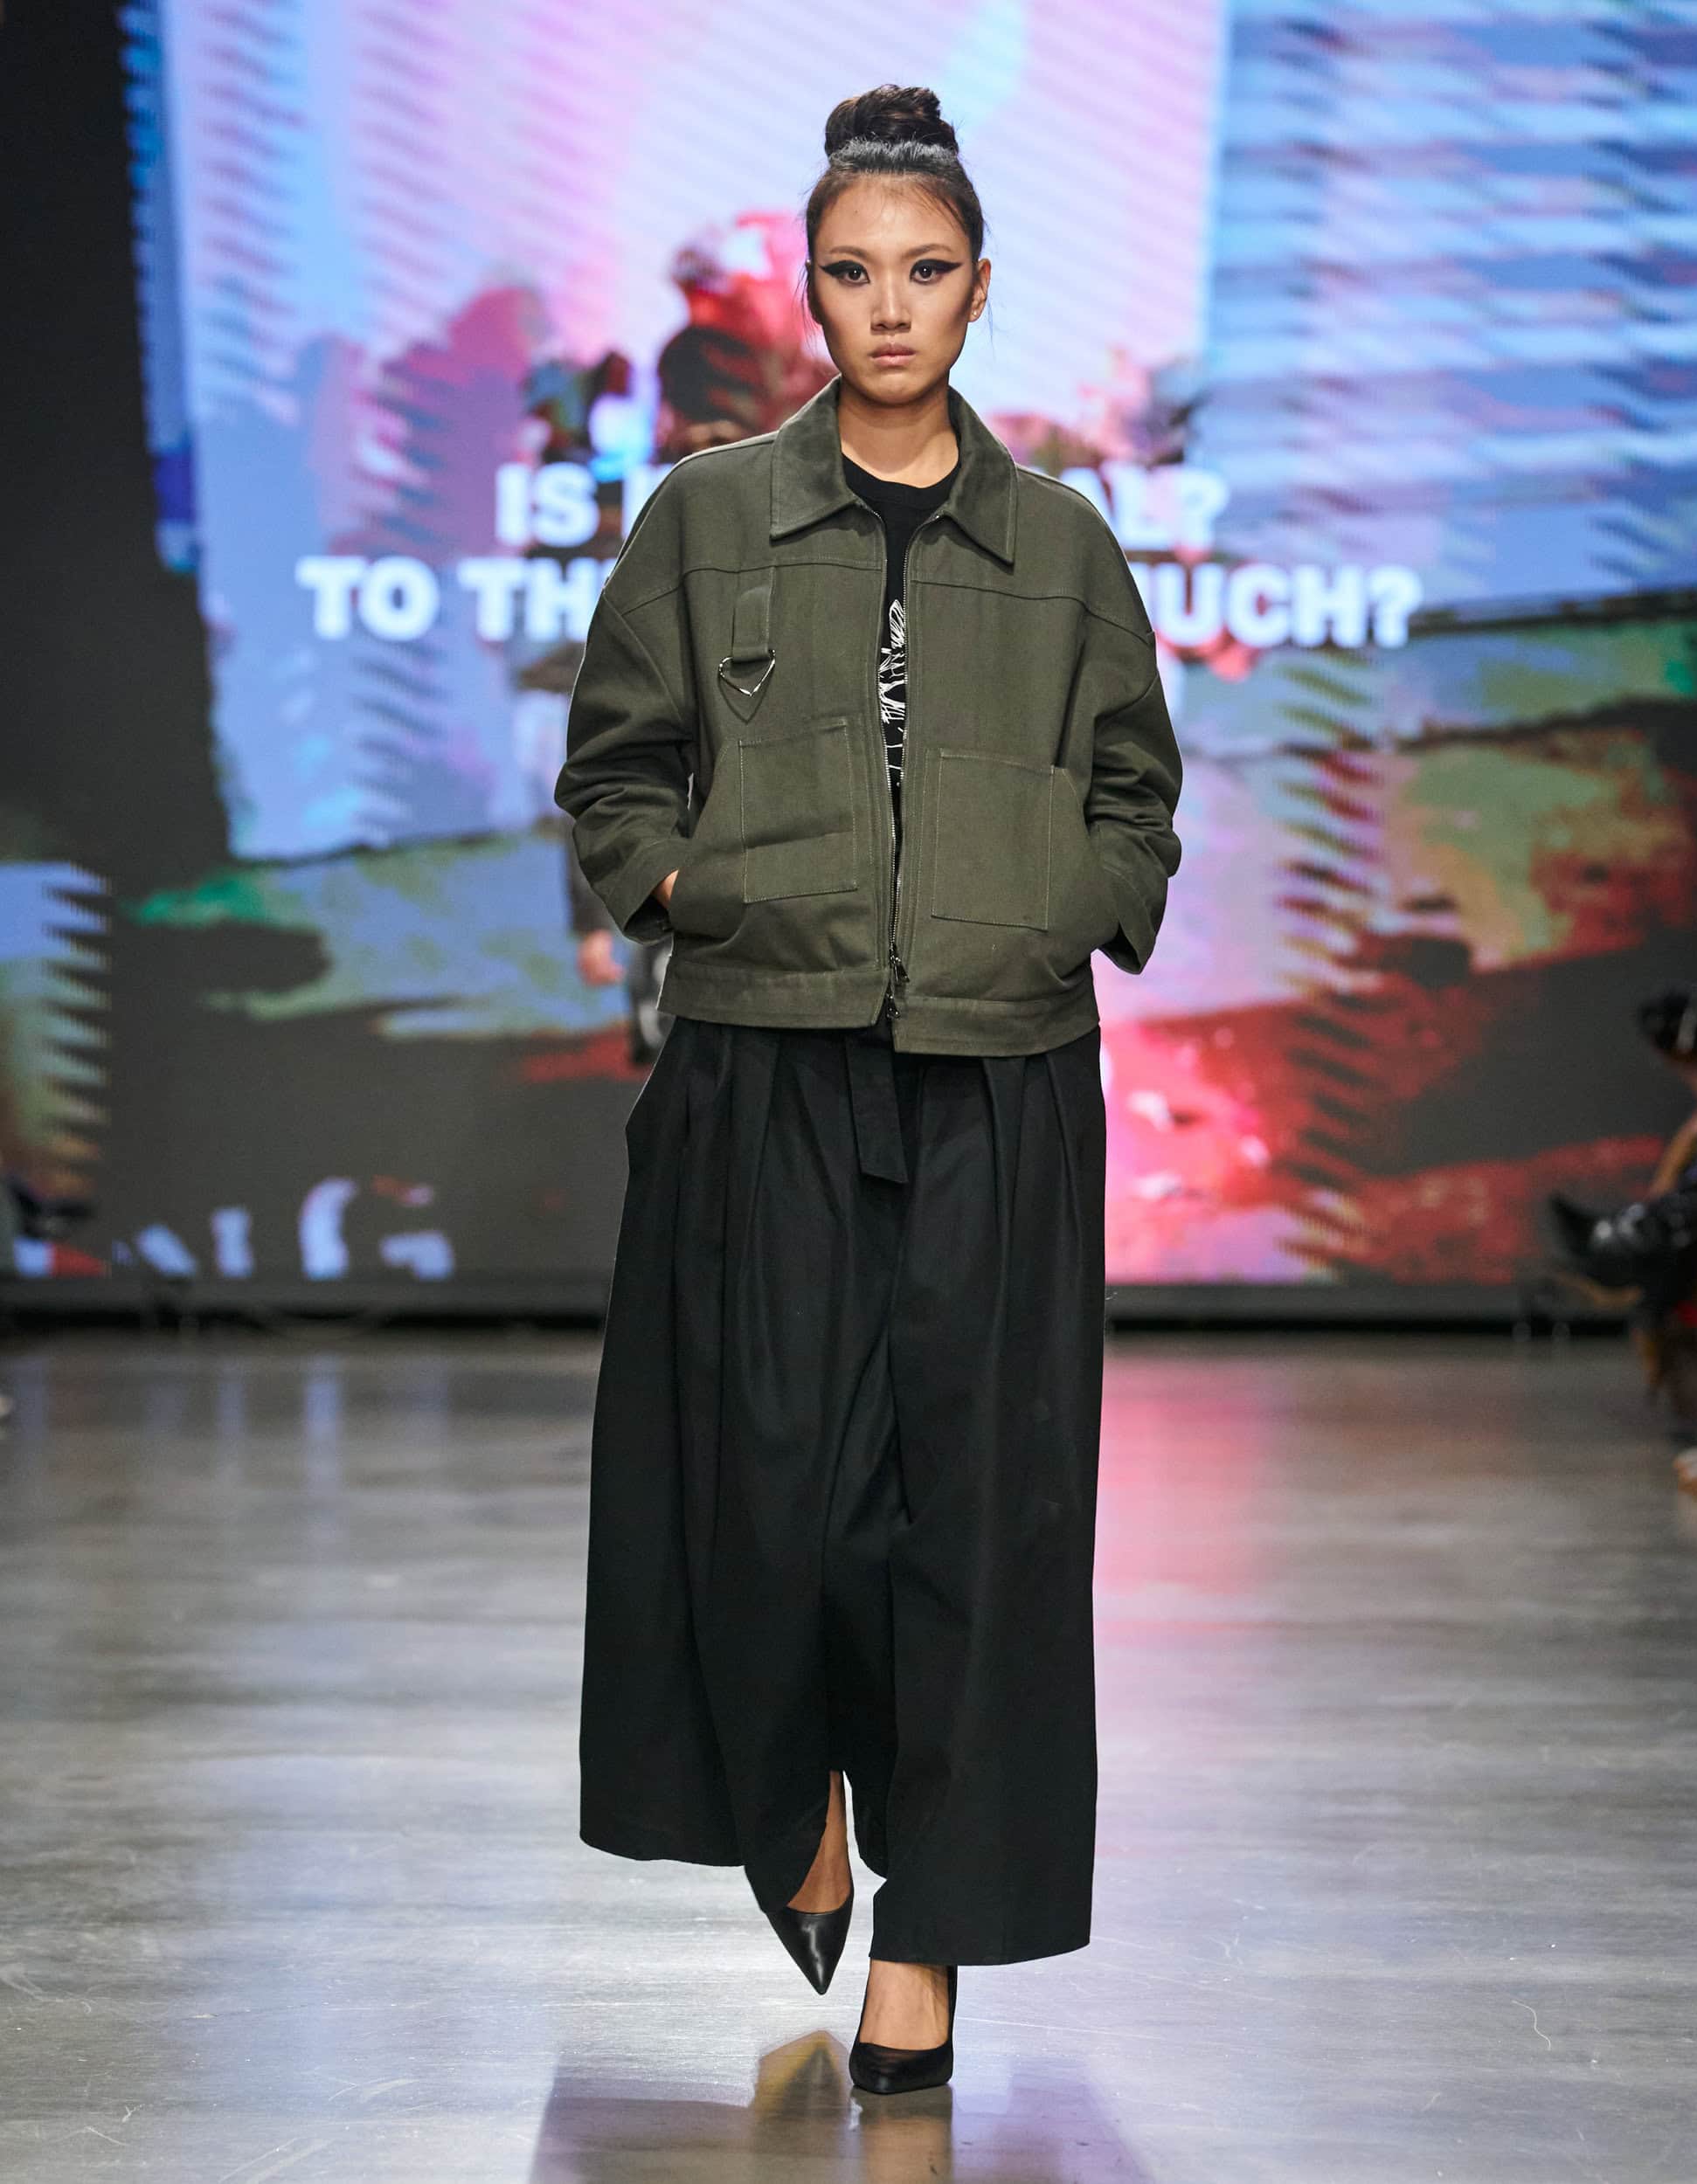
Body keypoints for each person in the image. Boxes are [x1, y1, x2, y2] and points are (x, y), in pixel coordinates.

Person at [554, 83, 1184, 2097]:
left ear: (980, 290)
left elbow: (1135, 794)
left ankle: (927, 1935)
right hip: (765, 1060)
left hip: (1001, 1078)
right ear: (809, 294)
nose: (888, 307)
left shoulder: (1060, 543)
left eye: (924, 271)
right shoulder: (707, 516)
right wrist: (696, 894)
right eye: (852, 272)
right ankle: (795, 1805)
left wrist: (1060, 907)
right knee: (773, 1503)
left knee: (980, 1524)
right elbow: (612, 771)